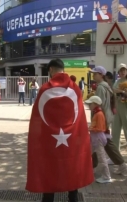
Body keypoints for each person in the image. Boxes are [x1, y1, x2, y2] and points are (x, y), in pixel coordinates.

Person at [26, 58, 93, 202]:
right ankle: (73, 196)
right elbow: (80, 116)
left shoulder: (45, 89)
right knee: (71, 164)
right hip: (72, 137)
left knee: (49, 164)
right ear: (63, 69)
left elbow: (38, 117)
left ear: (50, 70)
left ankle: (48, 197)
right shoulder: (75, 88)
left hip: (50, 139)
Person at [90, 66, 127, 175]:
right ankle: (92, 165)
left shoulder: (101, 87)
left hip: (101, 119)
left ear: (101, 75)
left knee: (100, 142)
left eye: (95, 73)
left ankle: (120, 164)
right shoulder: (106, 86)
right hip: (105, 118)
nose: (93, 75)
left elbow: (98, 104)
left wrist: (96, 120)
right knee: (100, 143)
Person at [85, 95, 112, 183]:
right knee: (88, 154)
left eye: (90, 104)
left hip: (98, 138)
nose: (89, 106)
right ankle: (89, 171)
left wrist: (89, 128)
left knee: (101, 157)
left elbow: (100, 128)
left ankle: (106, 176)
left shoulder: (99, 114)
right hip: (95, 137)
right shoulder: (97, 113)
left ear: (95, 104)